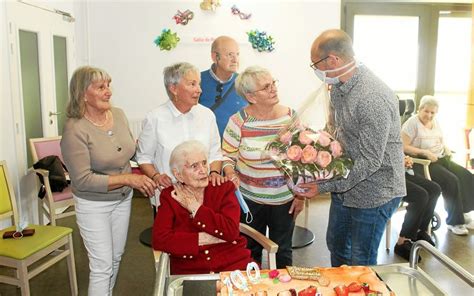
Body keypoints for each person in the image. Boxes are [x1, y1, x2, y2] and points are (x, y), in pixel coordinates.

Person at [298, 29, 406, 266]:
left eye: (315, 64)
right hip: (347, 183)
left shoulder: (371, 97)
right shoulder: (338, 87)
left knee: (361, 260)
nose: (315, 70)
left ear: (333, 60)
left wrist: (324, 186)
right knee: (336, 244)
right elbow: (337, 130)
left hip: (376, 191)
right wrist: (313, 140)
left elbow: (370, 162)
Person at [61, 66, 157, 296]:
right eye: (101, 87)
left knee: (115, 258)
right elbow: (83, 180)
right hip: (93, 205)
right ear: (83, 94)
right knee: (102, 267)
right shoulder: (75, 130)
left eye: (108, 85)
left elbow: (129, 150)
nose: (109, 92)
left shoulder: (119, 115)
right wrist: (129, 179)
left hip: (122, 200)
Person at [222, 65, 304, 268]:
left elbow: (302, 159)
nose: (273, 89)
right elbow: (226, 155)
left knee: (283, 250)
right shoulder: (238, 121)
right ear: (251, 96)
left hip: (284, 199)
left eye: (273, 83)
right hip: (250, 200)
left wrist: (301, 195)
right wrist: (230, 171)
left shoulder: (290, 117)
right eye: (266, 87)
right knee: (249, 251)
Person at [152, 140, 253, 275]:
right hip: (190, 270)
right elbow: (160, 239)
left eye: (204, 163)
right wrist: (208, 238)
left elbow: (231, 231)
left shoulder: (223, 188)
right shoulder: (170, 196)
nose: (203, 170)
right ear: (178, 174)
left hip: (233, 265)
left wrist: (195, 207)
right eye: (194, 166)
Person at [137, 62, 225, 211]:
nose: (199, 90)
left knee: (204, 234)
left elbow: (216, 153)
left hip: (204, 197)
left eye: (198, 84)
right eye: (192, 84)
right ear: (174, 88)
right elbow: (144, 158)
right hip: (169, 196)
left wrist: (215, 173)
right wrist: (156, 176)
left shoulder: (207, 115)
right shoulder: (155, 118)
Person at [401, 95, 474, 235]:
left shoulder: (435, 122)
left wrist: (445, 148)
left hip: (440, 158)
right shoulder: (412, 123)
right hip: (423, 162)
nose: (429, 115)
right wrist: (424, 152)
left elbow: (439, 139)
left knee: (466, 176)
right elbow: (403, 146)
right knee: (451, 180)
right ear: (420, 109)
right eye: (426, 111)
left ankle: (463, 212)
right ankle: (454, 222)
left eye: (432, 112)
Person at [200, 36, 248, 137]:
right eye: (230, 55)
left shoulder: (245, 83)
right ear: (215, 57)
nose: (235, 60)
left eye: (237, 54)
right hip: (205, 148)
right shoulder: (197, 82)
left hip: (235, 149)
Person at [394, 155, 441, 261]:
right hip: (390, 174)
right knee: (420, 195)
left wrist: (405, 158)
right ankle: (402, 242)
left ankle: (419, 231)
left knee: (434, 189)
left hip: (403, 171)